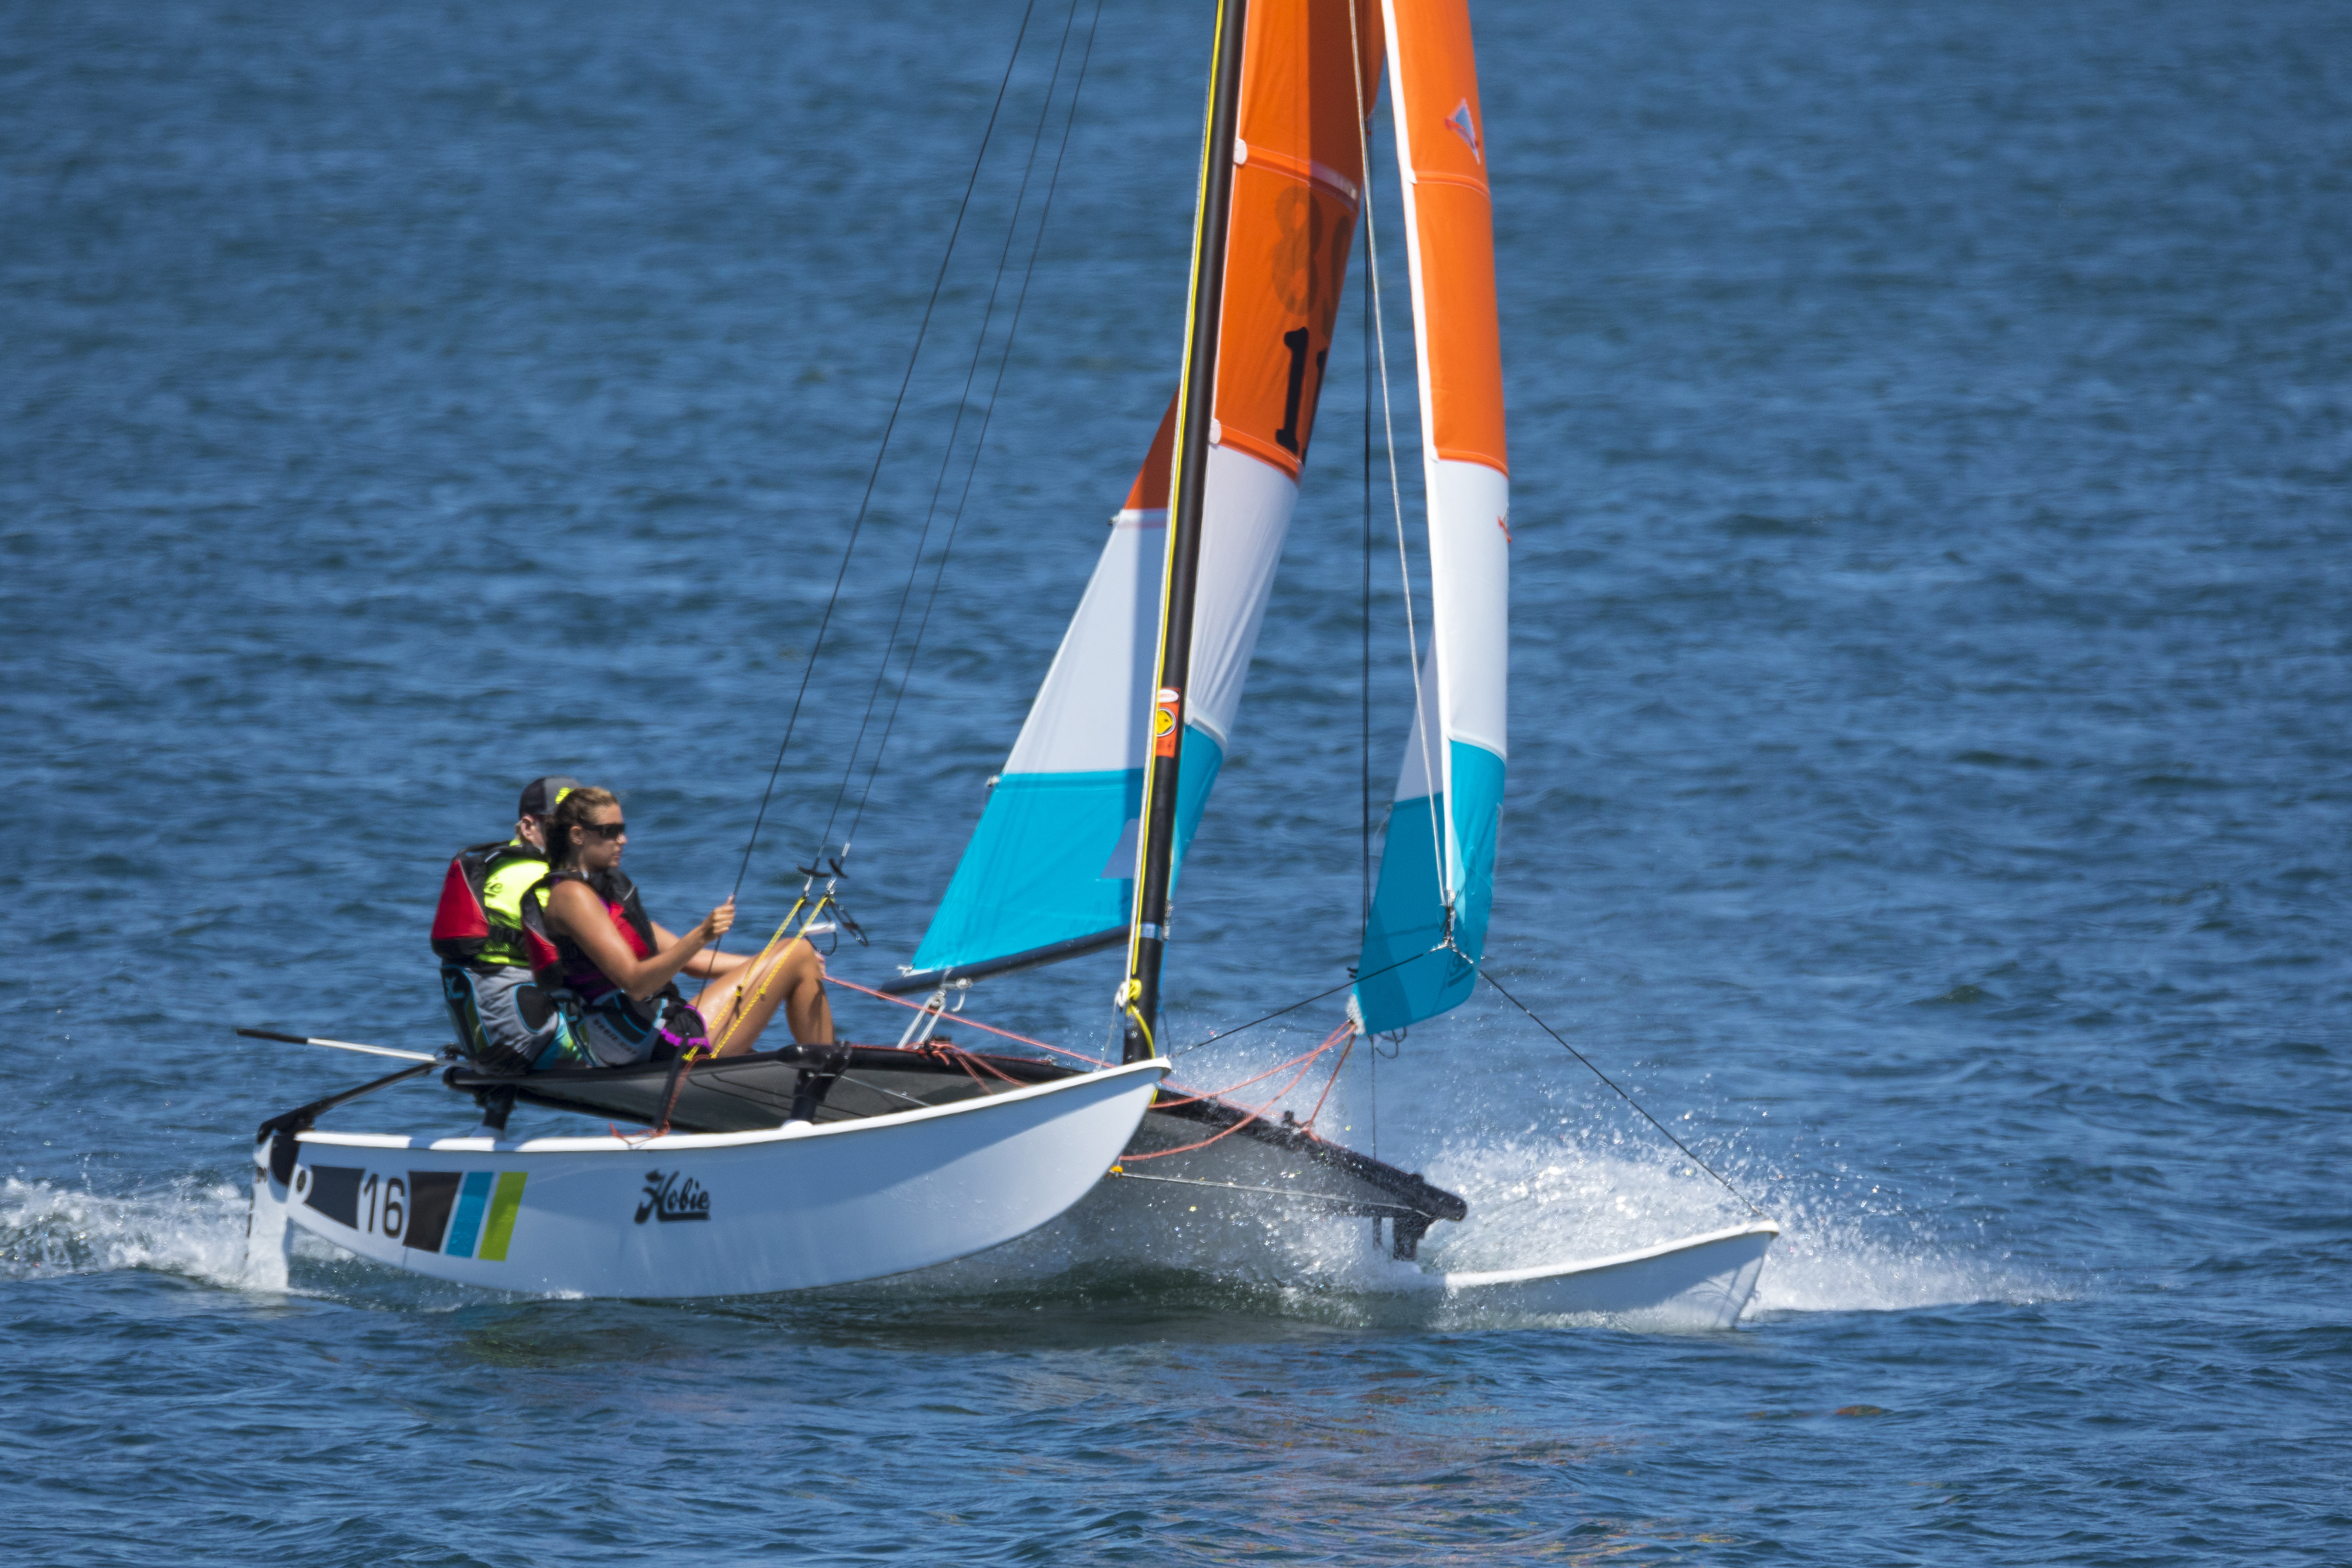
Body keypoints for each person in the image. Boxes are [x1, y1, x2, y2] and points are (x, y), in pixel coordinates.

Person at [527, 785, 834, 1068]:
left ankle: (819, 1073)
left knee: (794, 957)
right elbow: (635, 984)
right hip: (643, 1041)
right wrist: (703, 934)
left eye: (623, 830)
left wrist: (769, 964)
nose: (623, 840)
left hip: (649, 1032)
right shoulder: (572, 896)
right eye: (610, 832)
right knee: (799, 952)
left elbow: (694, 962)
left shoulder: (602, 894)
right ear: (578, 836)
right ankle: (825, 1079)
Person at [433, 775, 581, 1073]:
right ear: (528, 827)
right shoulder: (541, 880)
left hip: (490, 1038)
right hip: (531, 1039)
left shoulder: (495, 868)